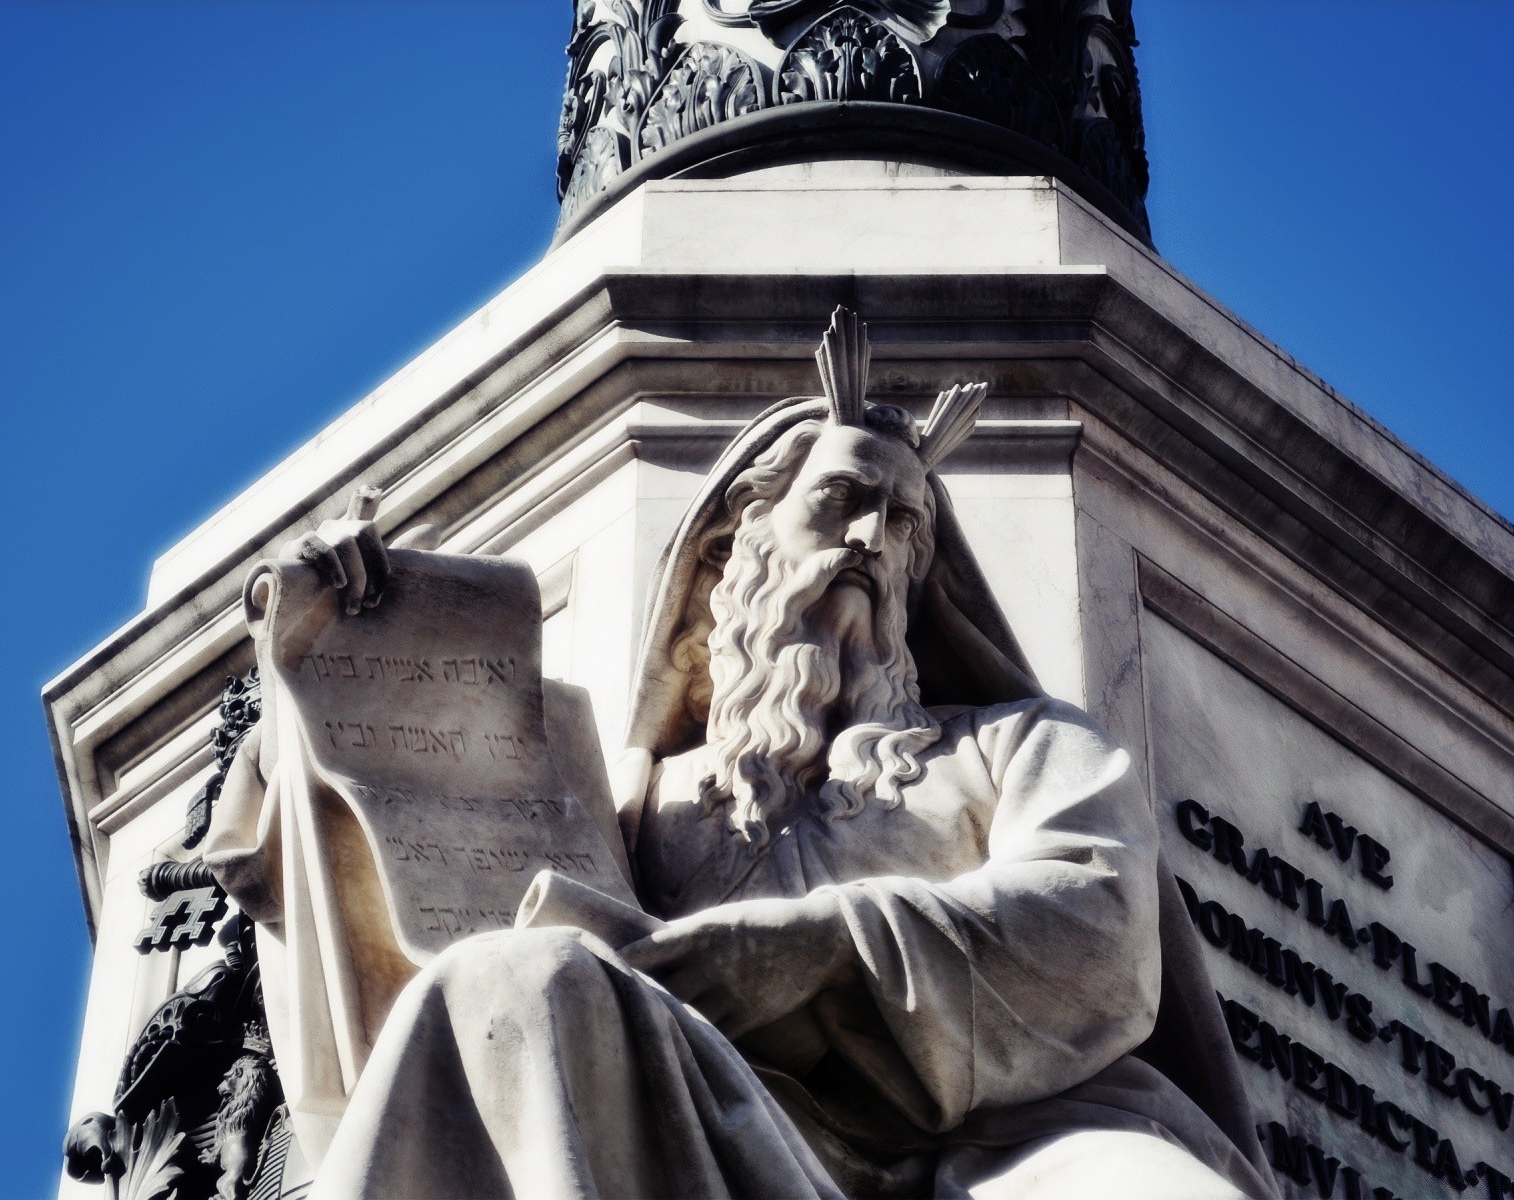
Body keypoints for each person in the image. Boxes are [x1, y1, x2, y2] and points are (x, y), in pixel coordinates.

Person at [243, 309, 1276, 1199]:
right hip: (713, 1115)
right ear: (743, 540)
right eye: (839, 502)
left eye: (903, 521)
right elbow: (402, 927)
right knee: (519, 976)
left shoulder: (1020, 746)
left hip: (1010, 1154)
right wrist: (332, 652)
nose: (870, 537)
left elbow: (1097, 932)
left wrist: (808, 949)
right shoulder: (629, 803)